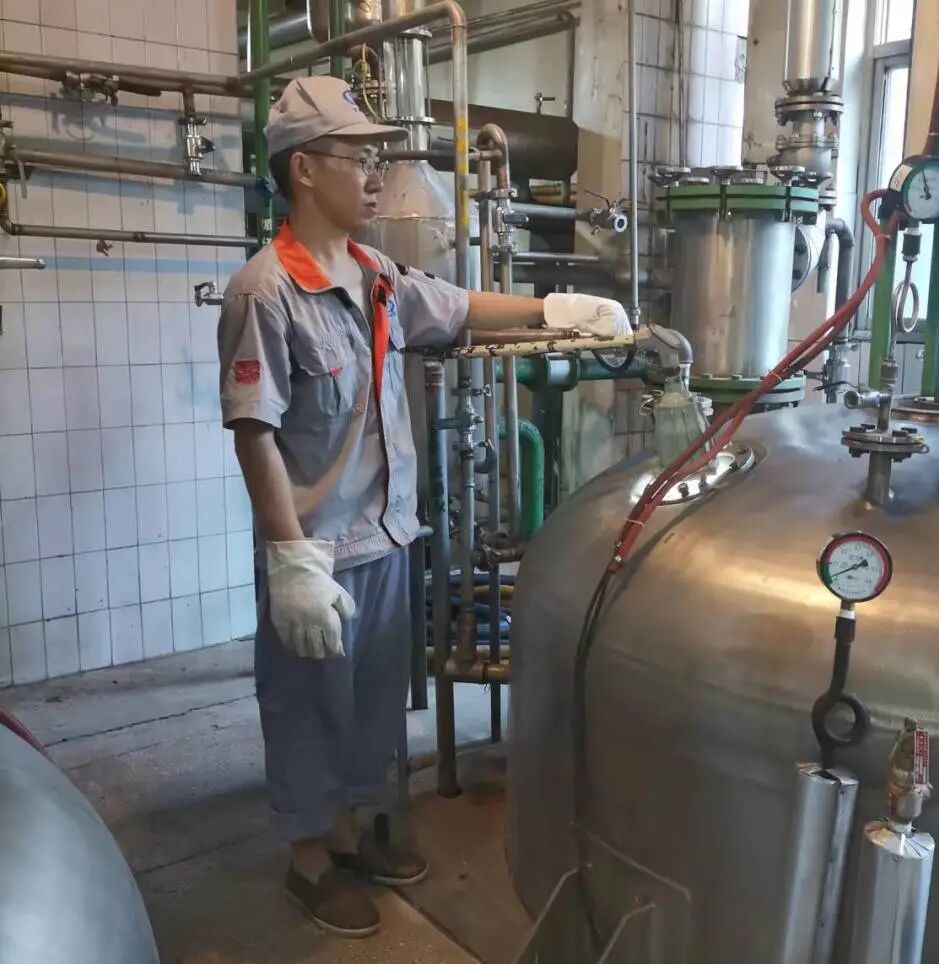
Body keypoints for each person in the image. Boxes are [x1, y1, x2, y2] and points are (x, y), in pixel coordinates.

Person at [217, 74, 630, 938]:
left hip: (387, 536)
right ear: (304, 171)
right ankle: (307, 861)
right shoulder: (265, 291)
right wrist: (289, 560)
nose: (376, 175)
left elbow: (458, 306)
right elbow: (255, 434)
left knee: (370, 702)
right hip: (318, 551)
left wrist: (561, 307)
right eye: (357, 158)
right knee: (307, 706)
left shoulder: (374, 275)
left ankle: (348, 832)